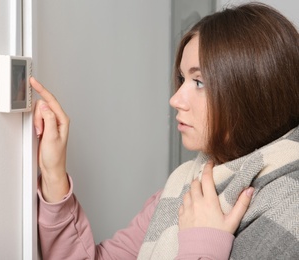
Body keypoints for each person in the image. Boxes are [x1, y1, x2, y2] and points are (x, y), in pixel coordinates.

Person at [31, 2, 299, 259]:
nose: (176, 99)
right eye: (183, 79)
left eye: (200, 82)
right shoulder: (186, 186)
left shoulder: (289, 207)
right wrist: (54, 172)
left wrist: (202, 246)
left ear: (254, 91)